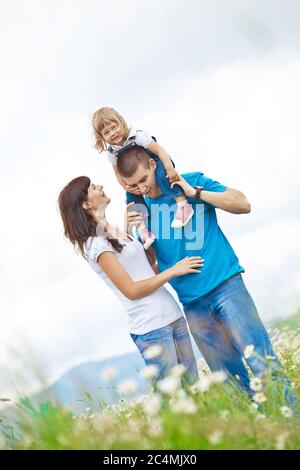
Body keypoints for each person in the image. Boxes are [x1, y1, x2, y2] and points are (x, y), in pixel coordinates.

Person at [116, 145, 298, 407]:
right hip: (192, 305)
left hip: (227, 287)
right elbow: (151, 267)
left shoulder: (189, 182)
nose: (141, 188)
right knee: (230, 383)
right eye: (133, 185)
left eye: (143, 179)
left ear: (153, 165)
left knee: (263, 363)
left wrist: (195, 193)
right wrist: (130, 229)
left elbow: (242, 204)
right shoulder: (141, 211)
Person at [58, 176, 203, 384]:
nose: (100, 186)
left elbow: (146, 268)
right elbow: (131, 290)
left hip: (172, 315)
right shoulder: (95, 245)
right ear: (86, 204)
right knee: (172, 399)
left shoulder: (114, 230)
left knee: (196, 390)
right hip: (151, 328)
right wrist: (173, 271)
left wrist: (137, 232)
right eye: (93, 187)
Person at [91, 107, 194, 250]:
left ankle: (183, 205)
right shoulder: (111, 152)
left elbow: (159, 150)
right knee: (131, 198)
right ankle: (143, 230)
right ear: (102, 138)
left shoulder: (137, 136)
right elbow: (118, 174)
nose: (112, 133)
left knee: (162, 178)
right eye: (106, 133)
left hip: (156, 162)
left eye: (114, 127)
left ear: (122, 123)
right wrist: (127, 187)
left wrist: (169, 169)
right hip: (134, 175)